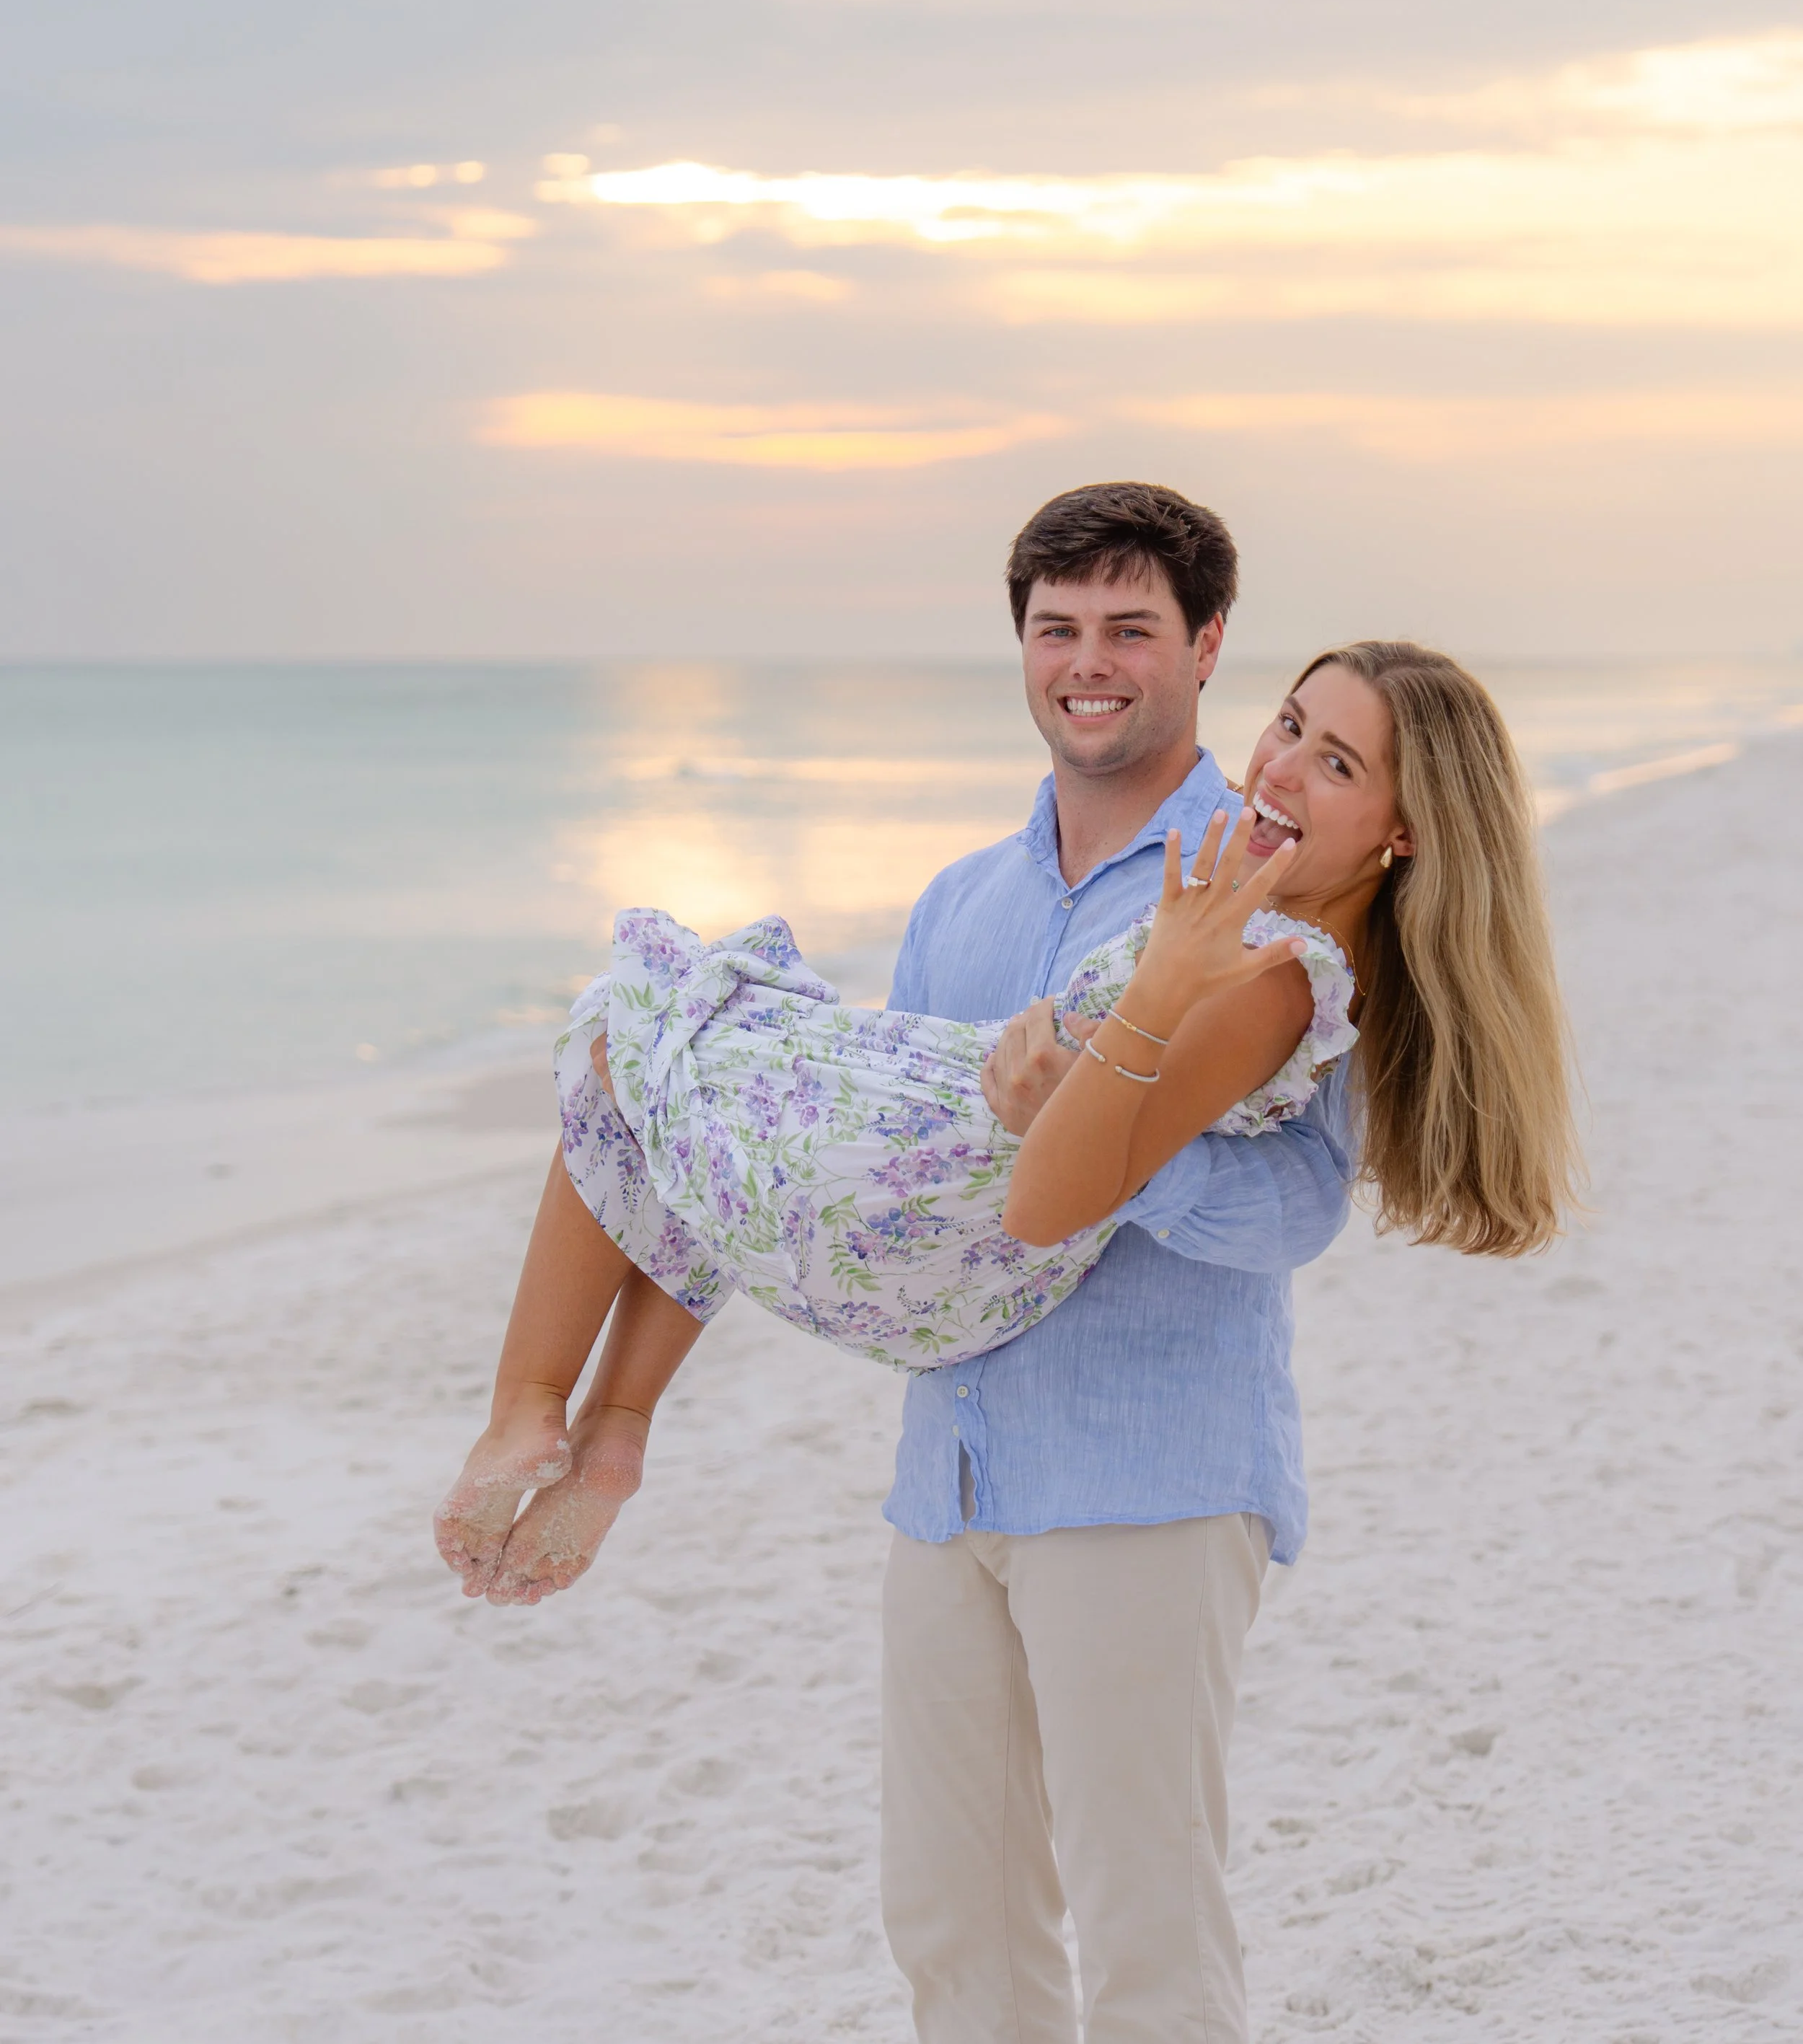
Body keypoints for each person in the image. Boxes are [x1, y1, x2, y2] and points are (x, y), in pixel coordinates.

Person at [435, 483, 1579, 2044]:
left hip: (1146, 1478)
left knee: (1145, 1939)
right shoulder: (962, 900)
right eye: (1057, 629)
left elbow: (1285, 1209)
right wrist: (631, 1405)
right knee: (951, 1935)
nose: (1089, 663)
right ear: (1022, 648)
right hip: (953, 1463)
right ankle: (573, 1414)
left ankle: (576, 1402)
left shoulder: (1257, 920)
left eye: (1131, 629)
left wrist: (1110, 1118)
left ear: (1201, 646)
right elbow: (838, 1177)